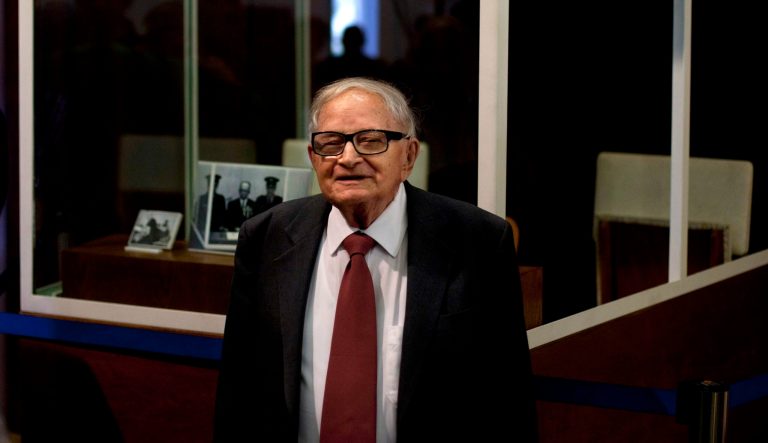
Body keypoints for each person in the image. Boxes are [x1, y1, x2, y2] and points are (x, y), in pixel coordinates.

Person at [213, 77, 537, 442]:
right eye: (331, 143)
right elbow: (238, 392)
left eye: (370, 140)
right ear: (313, 157)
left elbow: (509, 399)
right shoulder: (266, 237)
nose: (348, 158)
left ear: (409, 156)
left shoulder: (478, 241)